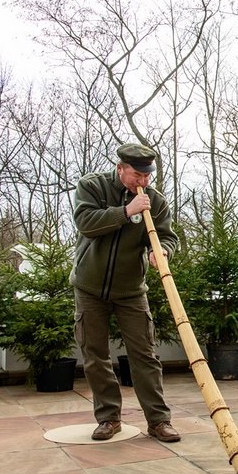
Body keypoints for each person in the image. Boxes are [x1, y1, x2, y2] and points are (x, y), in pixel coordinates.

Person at [70, 142, 181, 442]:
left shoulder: (155, 201)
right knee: (95, 355)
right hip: (89, 287)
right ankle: (109, 418)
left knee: (145, 354)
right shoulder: (92, 186)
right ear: (120, 169)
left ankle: (158, 420)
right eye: (137, 175)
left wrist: (162, 251)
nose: (142, 181)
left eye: (147, 176)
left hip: (131, 290)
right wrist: (126, 211)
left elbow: (168, 236)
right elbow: (86, 223)